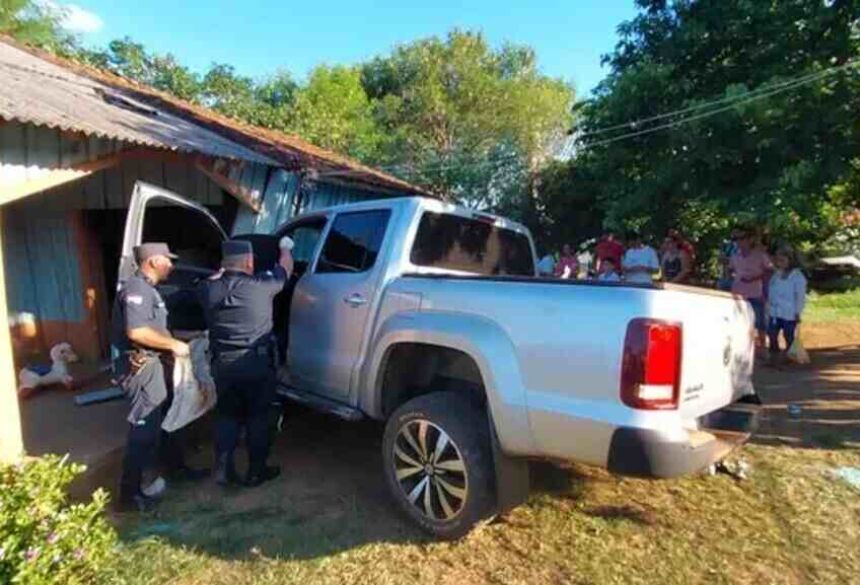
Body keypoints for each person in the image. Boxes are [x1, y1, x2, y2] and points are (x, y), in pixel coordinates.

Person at [198, 238, 294, 488]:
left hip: (223, 365)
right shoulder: (262, 284)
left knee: (227, 417)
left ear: (223, 264)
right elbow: (286, 269)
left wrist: (220, 274)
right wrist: (285, 249)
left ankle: (222, 471)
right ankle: (255, 472)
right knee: (258, 418)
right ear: (250, 262)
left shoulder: (208, 290)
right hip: (256, 364)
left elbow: (212, 280)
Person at [112, 243, 190, 512]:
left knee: (158, 424)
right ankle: (129, 495)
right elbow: (136, 332)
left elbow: (154, 328)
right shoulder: (137, 289)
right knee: (143, 431)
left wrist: (180, 340)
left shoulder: (149, 290)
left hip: (153, 366)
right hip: (141, 368)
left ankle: (167, 472)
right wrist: (173, 345)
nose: (171, 265)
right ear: (153, 261)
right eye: (168, 260)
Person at [730, 230, 772, 349]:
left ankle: (763, 347)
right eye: (736, 239)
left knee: (760, 322)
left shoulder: (760, 255)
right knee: (740, 320)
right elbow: (731, 270)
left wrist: (756, 277)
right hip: (738, 293)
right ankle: (744, 346)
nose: (739, 242)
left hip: (756, 292)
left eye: (742, 239)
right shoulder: (735, 256)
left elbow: (769, 270)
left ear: (749, 240)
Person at [767, 246, 807, 359]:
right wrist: (769, 306)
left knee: (788, 335)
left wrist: (798, 311)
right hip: (775, 311)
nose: (780, 263)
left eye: (782, 260)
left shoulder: (798, 277)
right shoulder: (776, 275)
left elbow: (800, 296)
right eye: (778, 261)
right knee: (772, 333)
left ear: (790, 261)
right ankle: (774, 355)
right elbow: (771, 291)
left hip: (790, 312)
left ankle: (789, 356)